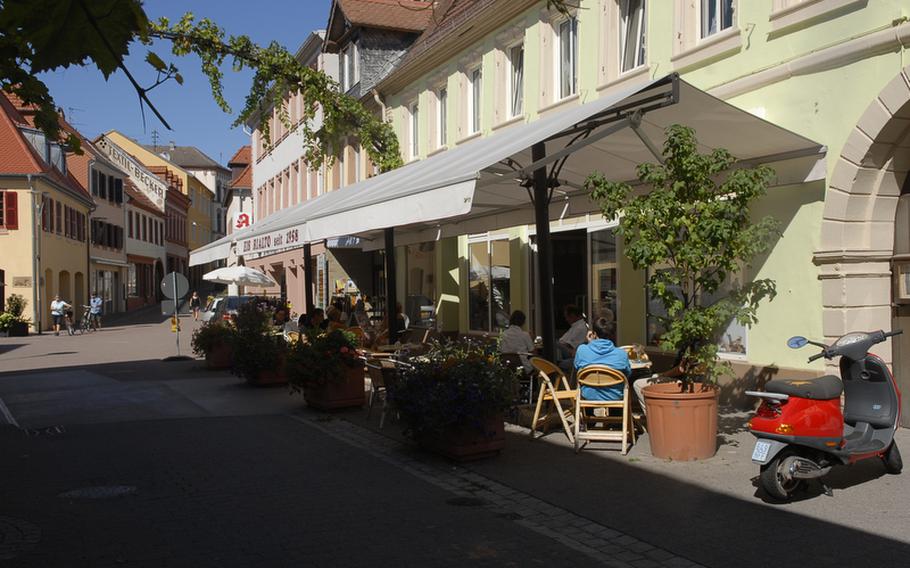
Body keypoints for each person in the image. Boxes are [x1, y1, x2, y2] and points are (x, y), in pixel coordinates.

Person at [633, 339, 706, 415]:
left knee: (637, 384)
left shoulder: (690, 346)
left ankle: (651, 415)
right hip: (688, 381)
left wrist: (663, 375)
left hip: (679, 382)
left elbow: (681, 369)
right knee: (651, 376)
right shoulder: (700, 345)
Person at [574, 317, 631, 401]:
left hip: (588, 395)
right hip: (614, 396)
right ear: (612, 334)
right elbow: (627, 373)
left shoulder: (581, 350)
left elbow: (577, 368)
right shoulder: (621, 354)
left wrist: (590, 343)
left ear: (594, 334)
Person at [557, 304, 588, 372]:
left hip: (572, 352)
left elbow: (567, 344)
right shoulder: (575, 326)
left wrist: (559, 343)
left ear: (572, 316)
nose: (566, 319)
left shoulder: (580, 328)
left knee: (554, 344)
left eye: (567, 317)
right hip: (570, 350)